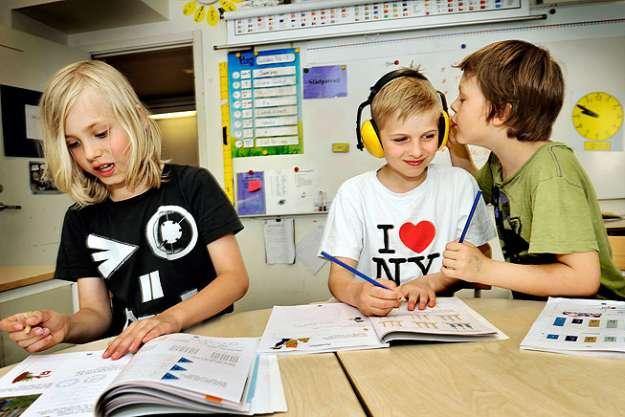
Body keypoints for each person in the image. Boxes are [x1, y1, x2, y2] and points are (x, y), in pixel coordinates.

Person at [0, 61, 249, 359]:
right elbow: (96, 314)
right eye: (74, 144)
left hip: (211, 344)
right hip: (136, 357)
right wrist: (66, 326)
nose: (91, 153)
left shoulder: (193, 184)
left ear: (138, 120)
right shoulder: (80, 218)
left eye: (101, 133)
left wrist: (170, 319)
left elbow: (234, 278)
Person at [444, 39, 624, 299]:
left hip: (596, 314)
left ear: (501, 113)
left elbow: (582, 279)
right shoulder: (501, 160)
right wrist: (456, 146)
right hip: (543, 309)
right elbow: (473, 192)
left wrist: (483, 268)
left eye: (463, 98)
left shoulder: (551, 173)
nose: (453, 106)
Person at [319, 68, 496, 316]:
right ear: (375, 140)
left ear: (443, 132)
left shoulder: (460, 185)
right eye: (401, 139)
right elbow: (338, 279)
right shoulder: (353, 193)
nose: (416, 151)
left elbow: (476, 263)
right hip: (377, 320)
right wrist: (357, 293)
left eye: (428, 136)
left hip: (436, 315)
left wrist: (429, 283)